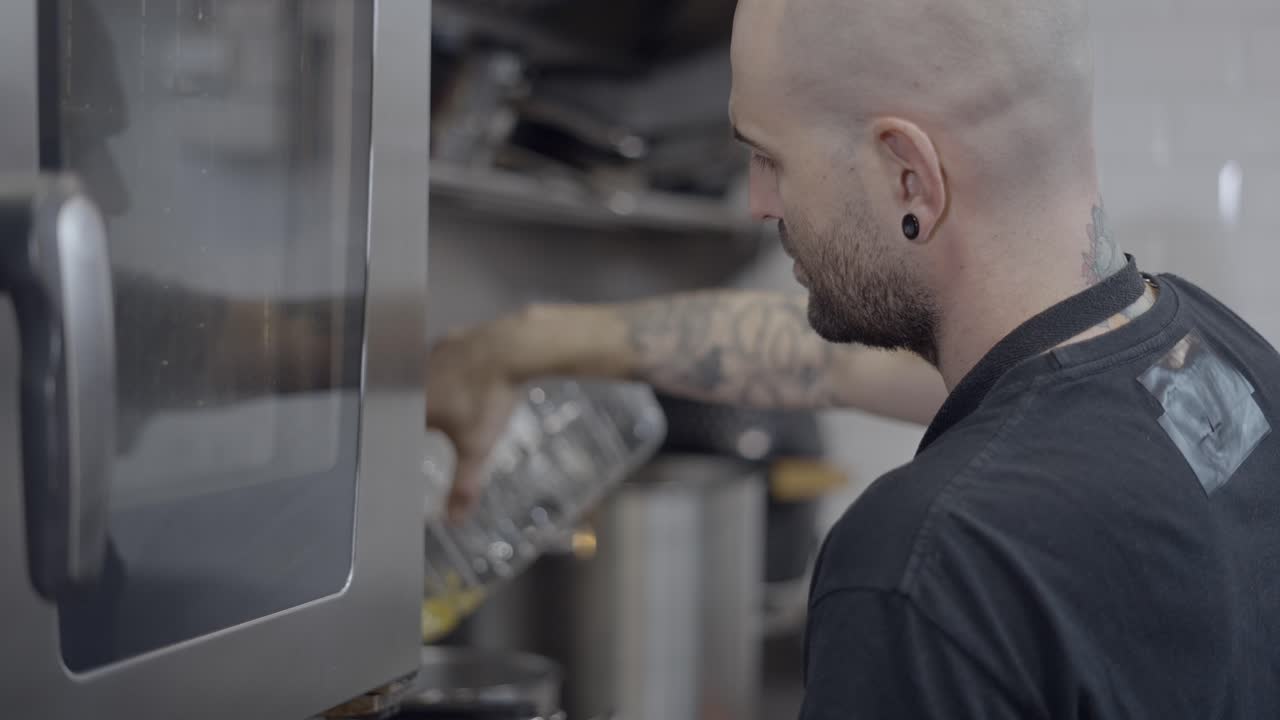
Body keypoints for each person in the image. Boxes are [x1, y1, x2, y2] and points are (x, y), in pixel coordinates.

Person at [427, 0, 1280, 717]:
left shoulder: (929, 566)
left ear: (908, 176)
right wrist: (523, 343)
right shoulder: (1216, 360)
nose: (760, 202)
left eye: (769, 157)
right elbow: (819, 364)